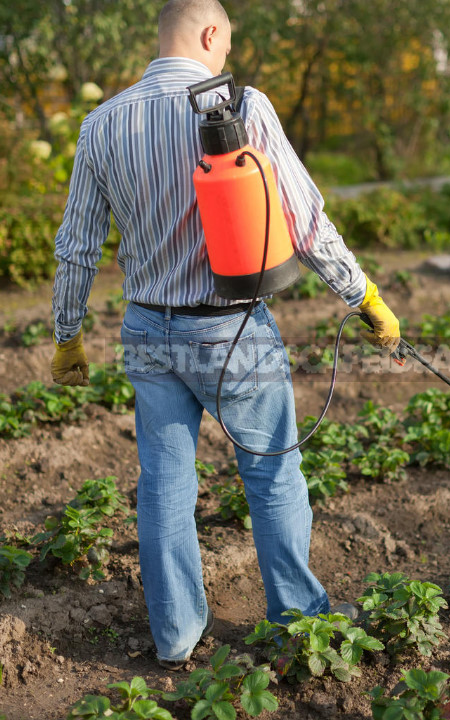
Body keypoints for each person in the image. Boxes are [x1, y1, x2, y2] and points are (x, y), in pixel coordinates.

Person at [50, 0, 401, 670]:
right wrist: (364, 299)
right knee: (270, 472)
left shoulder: (101, 125)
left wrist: (69, 338)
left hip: (147, 330)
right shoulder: (239, 105)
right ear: (210, 34)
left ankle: (176, 635)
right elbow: (304, 220)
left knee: (164, 484)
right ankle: (298, 618)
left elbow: (76, 249)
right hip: (231, 330)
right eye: (225, 43)